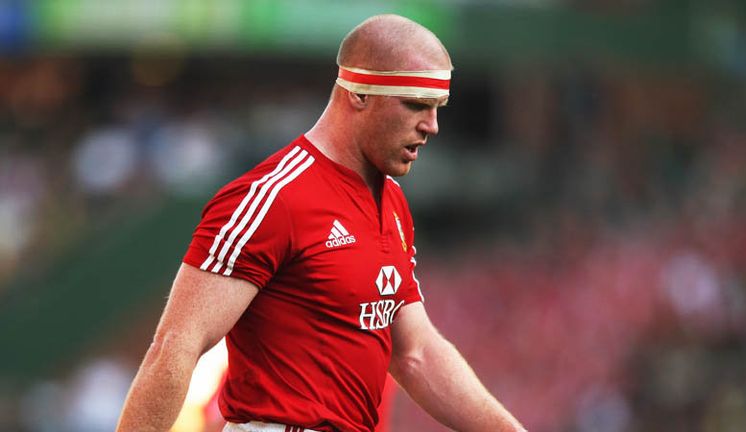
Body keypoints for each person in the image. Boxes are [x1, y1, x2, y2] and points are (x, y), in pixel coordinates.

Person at [116, 14, 527, 432]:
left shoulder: (392, 203)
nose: (431, 126)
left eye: (437, 107)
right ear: (359, 93)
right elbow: (174, 347)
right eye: (415, 104)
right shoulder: (272, 198)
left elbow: (415, 353)